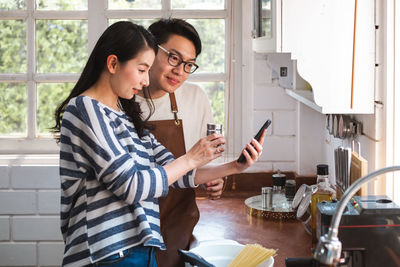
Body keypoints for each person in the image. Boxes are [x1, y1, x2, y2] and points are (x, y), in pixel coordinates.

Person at [53, 21, 265, 267]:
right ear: (112, 64)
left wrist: (234, 167)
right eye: (142, 69)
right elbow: (131, 185)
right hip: (106, 253)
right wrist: (191, 158)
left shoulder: (124, 113)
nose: (144, 81)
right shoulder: (85, 109)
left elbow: (177, 172)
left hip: (141, 248)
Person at [135, 18, 224, 266]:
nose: (180, 71)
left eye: (189, 65)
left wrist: (215, 178)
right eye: (173, 58)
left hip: (177, 227)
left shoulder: (196, 97)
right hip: (130, 230)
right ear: (149, 50)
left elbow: (197, 165)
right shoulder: (121, 99)